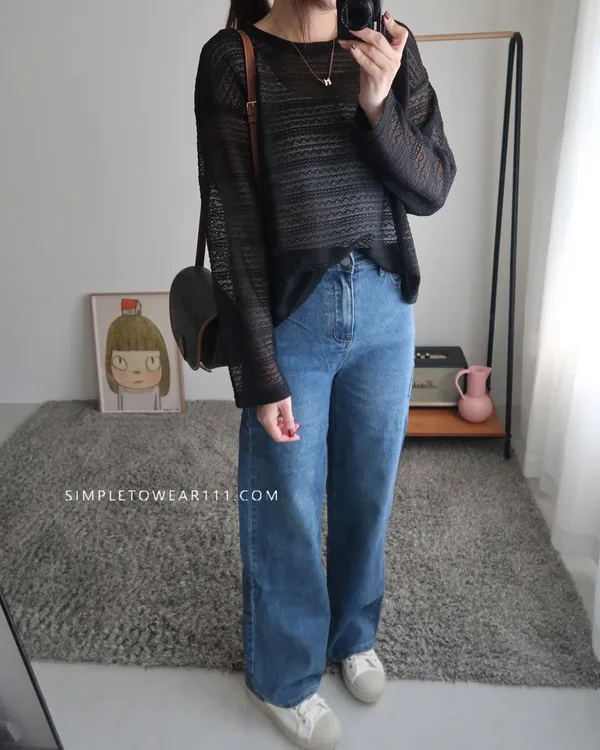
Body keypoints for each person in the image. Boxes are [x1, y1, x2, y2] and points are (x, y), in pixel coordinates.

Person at [195, 1, 457, 747]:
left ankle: (352, 635)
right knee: (285, 501)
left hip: (384, 312)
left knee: (368, 491)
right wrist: (261, 372)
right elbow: (232, 225)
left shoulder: (391, 46)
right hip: (293, 320)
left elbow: (433, 186)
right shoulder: (233, 59)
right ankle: (282, 677)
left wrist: (378, 106)